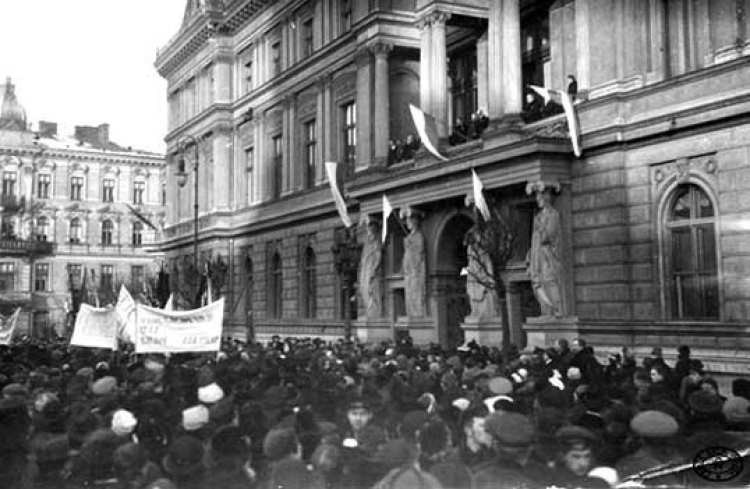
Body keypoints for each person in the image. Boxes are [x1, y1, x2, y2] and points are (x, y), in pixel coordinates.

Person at [526, 182, 563, 317]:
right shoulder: (538, 217)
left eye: (540, 198)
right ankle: (545, 312)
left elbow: (547, 237)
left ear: (546, 199)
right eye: (537, 198)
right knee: (538, 284)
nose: (538, 201)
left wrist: (540, 226)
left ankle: (555, 311)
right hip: (537, 258)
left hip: (548, 258)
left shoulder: (553, 215)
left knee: (549, 282)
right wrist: (530, 255)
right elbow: (534, 240)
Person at [464, 224, 497, 320]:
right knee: (471, 291)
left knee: (486, 294)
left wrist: (490, 278)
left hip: (482, 277)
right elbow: (469, 264)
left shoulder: (483, 252)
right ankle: (475, 311)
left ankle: (484, 312)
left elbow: (488, 264)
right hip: (473, 276)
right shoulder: (470, 250)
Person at [402, 209, 426, 317]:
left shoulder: (418, 236)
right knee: (410, 295)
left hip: (416, 272)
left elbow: (419, 253)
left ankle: (418, 315)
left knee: (416, 294)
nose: (407, 223)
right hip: (409, 273)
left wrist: (410, 245)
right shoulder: (408, 238)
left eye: (409, 220)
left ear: (415, 222)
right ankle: (413, 314)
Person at [359, 219, 383, 318]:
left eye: (370, 232)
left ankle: (374, 312)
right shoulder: (366, 245)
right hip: (365, 269)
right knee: (363, 289)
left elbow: (378, 256)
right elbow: (363, 258)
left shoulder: (376, 243)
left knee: (371, 290)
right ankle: (369, 311)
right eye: (367, 232)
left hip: (371, 270)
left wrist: (374, 269)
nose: (368, 235)